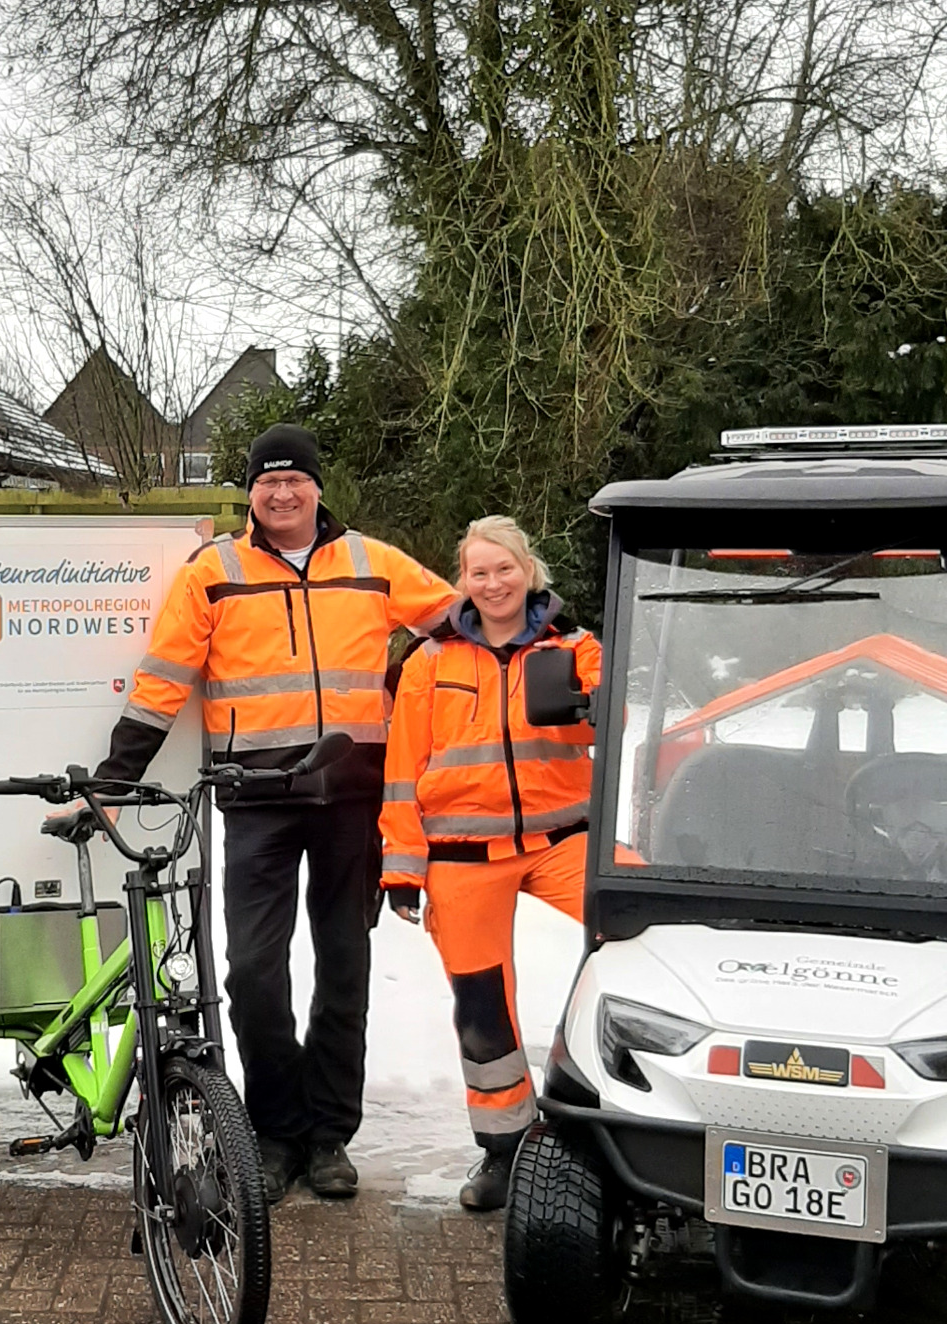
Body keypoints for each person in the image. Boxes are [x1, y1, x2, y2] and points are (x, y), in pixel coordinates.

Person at [95, 423, 458, 1203]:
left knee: (343, 970)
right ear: (250, 491)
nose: (283, 493)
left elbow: (459, 625)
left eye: (296, 480)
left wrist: (535, 631)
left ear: (319, 488)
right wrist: (115, 778)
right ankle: (276, 1129)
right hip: (255, 800)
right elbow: (164, 678)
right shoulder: (213, 573)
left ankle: (329, 1137)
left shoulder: (373, 563)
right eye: (268, 481)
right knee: (254, 972)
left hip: (352, 799)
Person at [381, 516, 601, 1211]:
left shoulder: (574, 648)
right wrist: (403, 867)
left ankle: (611, 1113)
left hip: (562, 841)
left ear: (528, 571)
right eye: (479, 572)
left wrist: (588, 703)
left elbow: (619, 725)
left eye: (504, 568)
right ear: (463, 581)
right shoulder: (431, 661)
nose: (494, 583)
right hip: (462, 855)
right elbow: (400, 773)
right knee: (480, 1008)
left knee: (637, 938)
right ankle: (504, 1150)